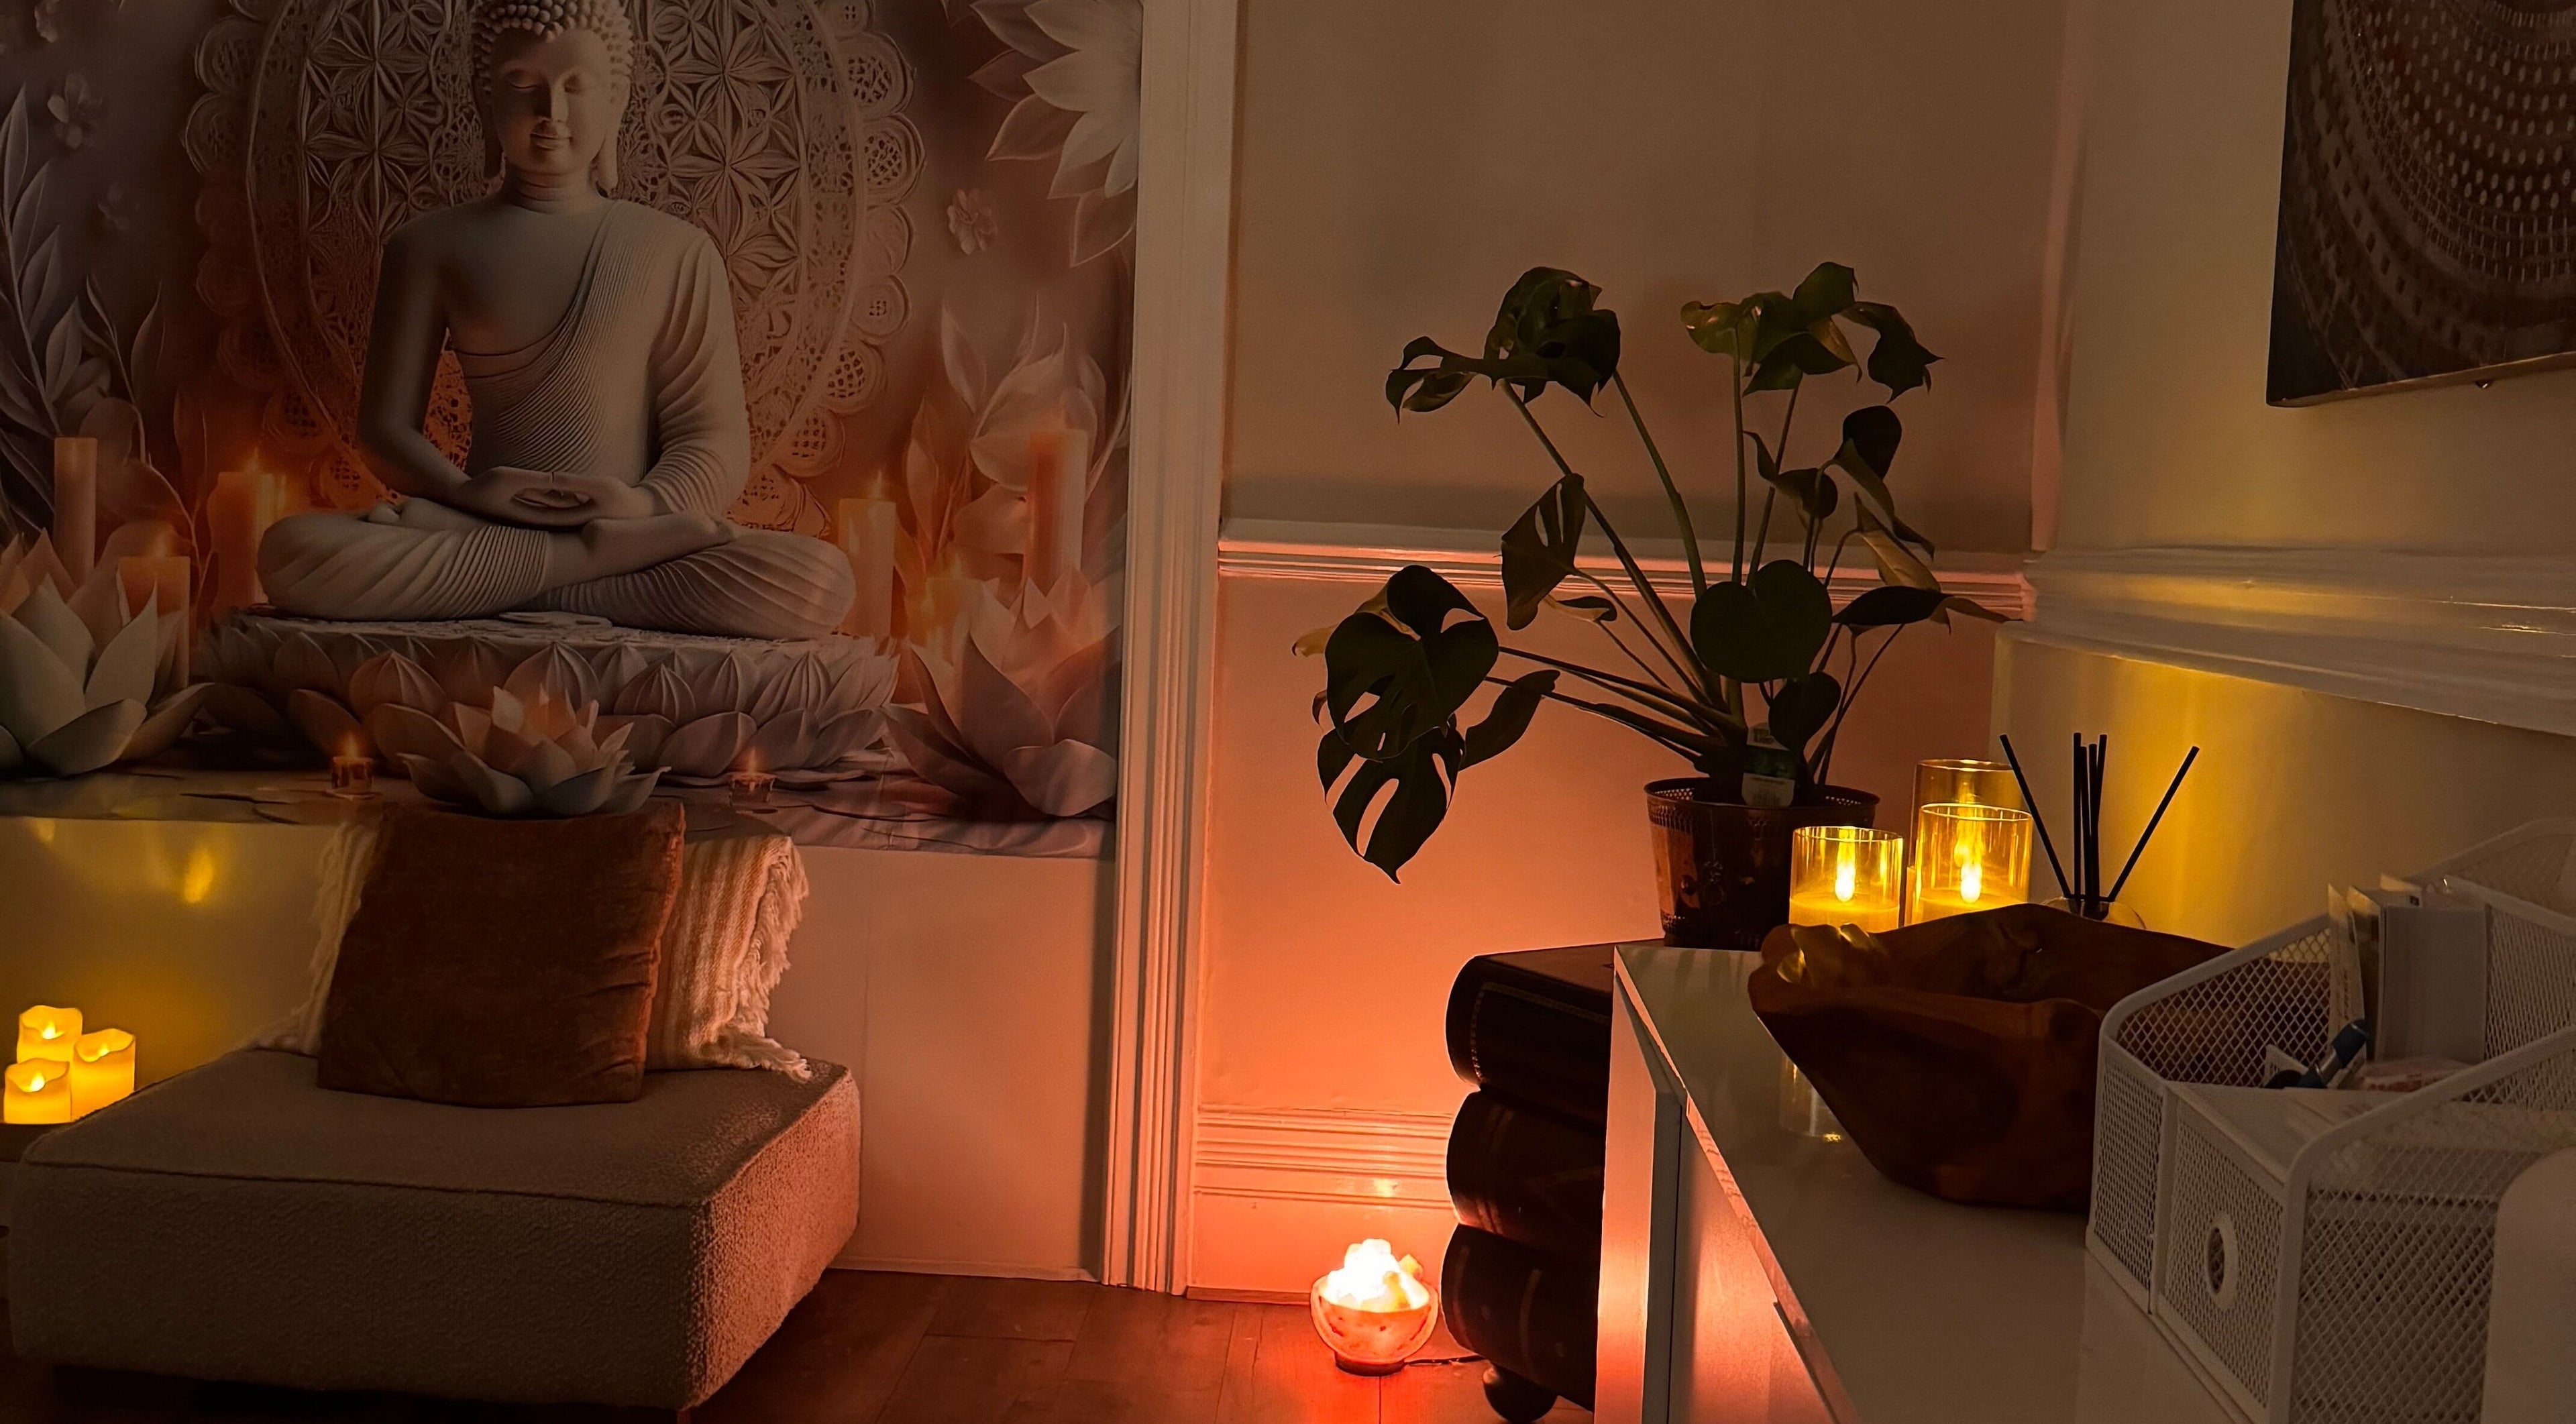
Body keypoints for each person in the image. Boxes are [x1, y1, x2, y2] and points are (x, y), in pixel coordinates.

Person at [258, 0, 854, 641]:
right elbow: (383, 429)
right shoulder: (428, 247)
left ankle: (550, 571)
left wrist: (646, 505)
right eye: (524, 85)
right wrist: (466, 494)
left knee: (818, 580)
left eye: (578, 87)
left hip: (625, 531)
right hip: (488, 526)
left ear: (618, 100)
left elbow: (714, 441)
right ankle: (591, 569)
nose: (553, 115)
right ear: (486, 98)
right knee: (293, 550)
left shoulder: (675, 252)